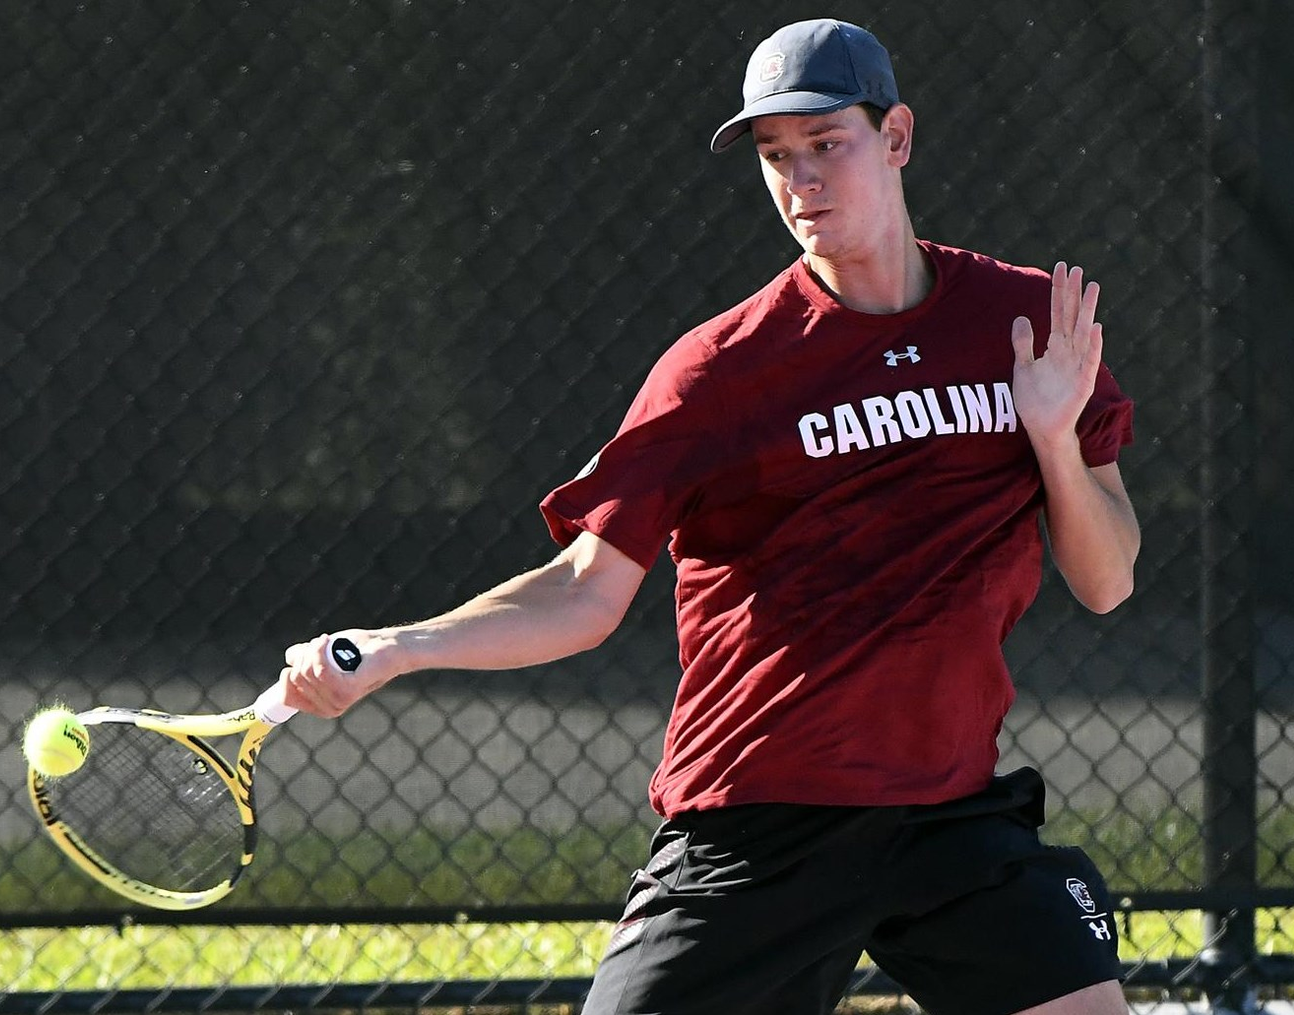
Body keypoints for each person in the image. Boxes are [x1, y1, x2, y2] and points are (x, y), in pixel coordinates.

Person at [277, 17, 1139, 1015]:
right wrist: (396, 648)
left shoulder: (1026, 325)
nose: (802, 179)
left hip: (948, 815)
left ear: (896, 138)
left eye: (828, 145)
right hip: (759, 823)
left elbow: (1109, 580)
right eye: (777, 156)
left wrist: (1052, 438)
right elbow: (584, 590)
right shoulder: (721, 372)